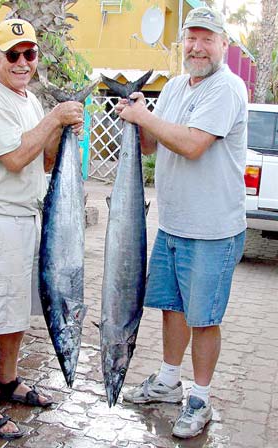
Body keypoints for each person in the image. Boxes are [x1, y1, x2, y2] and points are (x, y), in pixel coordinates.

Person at [117, 7, 248, 439]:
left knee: (204, 318)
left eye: (207, 38)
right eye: (191, 37)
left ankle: (201, 398)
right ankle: (169, 382)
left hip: (212, 231)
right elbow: (153, 146)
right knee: (172, 309)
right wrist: (138, 114)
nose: (197, 46)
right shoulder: (174, 87)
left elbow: (192, 144)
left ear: (223, 44)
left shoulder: (227, 88)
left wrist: (144, 117)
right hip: (173, 224)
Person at [0, 18, 84, 439]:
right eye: (12, 54)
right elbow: (14, 159)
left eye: (28, 54)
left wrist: (62, 132)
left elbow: (43, 161)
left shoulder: (27, 100)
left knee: (15, 313)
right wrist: (54, 119)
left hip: (27, 220)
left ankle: (7, 381)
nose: (21, 62)